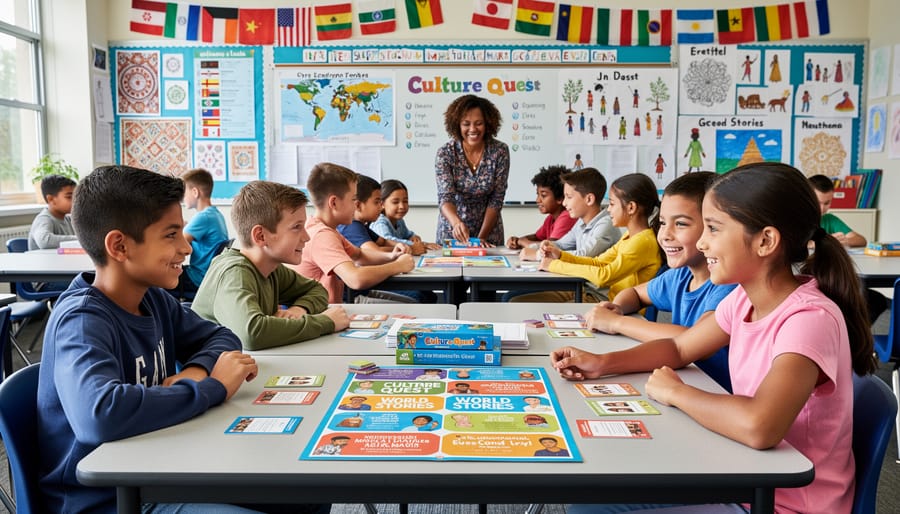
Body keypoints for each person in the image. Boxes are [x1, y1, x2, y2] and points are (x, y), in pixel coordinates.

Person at [554, 162, 876, 514]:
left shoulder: (808, 319)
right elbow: (680, 347)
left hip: (784, 501)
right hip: (744, 473)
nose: (703, 242)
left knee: (592, 508)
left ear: (766, 241)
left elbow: (760, 426)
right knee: (592, 499)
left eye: (713, 228)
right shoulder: (743, 299)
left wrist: (676, 392)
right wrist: (601, 363)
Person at [37, 165, 261, 514]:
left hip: (160, 466)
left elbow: (221, 336)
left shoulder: (153, 298)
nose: (186, 247)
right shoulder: (81, 321)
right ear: (120, 245)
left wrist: (196, 372)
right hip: (107, 498)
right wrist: (213, 387)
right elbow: (100, 415)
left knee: (302, 496)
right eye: (171, 235)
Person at [585, 172, 737, 391]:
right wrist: (616, 308)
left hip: (715, 395)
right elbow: (635, 293)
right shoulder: (681, 275)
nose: (665, 234)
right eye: (663, 222)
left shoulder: (730, 285)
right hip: (684, 383)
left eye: (681, 224)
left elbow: (689, 341)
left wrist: (615, 322)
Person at [191, 180, 349, 351]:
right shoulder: (235, 272)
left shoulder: (271, 268)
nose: (306, 237)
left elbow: (317, 290)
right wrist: (327, 322)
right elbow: (252, 333)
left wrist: (299, 309)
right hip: (208, 365)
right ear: (261, 236)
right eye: (297, 227)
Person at [514, 173, 662, 303]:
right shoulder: (630, 236)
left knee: (529, 307)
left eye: (612, 204)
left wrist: (553, 265)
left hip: (612, 305)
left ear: (631, 208)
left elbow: (604, 276)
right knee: (518, 301)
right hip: (601, 298)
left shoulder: (643, 242)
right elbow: (597, 262)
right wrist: (560, 255)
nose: (608, 209)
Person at [295, 162, 415, 303]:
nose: (356, 206)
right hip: (320, 313)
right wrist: (397, 266)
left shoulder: (327, 229)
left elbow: (360, 255)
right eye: (353, 199)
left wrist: (392, 256)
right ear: (334, 203)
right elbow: (355, 279)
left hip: (331, 309)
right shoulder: (322, 235)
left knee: (411, 304)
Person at [508, 168, 620, 302]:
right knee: (516, 301)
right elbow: (561, 244)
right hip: (579, 287)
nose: (564, 203)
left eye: (569, 197)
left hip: (598, 295)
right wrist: (545, 246)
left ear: (589, 199)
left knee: (525, 305)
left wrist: (538, 255)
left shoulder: (606, 225)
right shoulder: (581, 222)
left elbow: (584, 255)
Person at [337, 175, 434, 304]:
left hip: (368, 286)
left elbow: (383, 241)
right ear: (358, 205)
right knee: (417, 298)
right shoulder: (351, 227)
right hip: (357, 293)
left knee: (427, 295)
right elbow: (373, 251)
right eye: (376, 202)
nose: (381, 207)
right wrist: (408, 249)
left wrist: (402, 246)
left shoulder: (362, 225)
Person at [435, 94, 509, 246]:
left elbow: (497, 199)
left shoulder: (500, 151)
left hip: (489, 231)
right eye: (466, 124)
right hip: (454, 231)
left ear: (488, 124)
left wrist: (480, 238)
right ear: (457, 125)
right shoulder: (445, 153)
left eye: (479, 123)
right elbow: (445, 197)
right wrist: (456, 223)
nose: (473, 129)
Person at [176, 168, 228, 295]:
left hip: (196, 279)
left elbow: (178, 243)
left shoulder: (203, 217)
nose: (182, 198)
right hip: (206, 277)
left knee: (154, 280)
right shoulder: (215, 214)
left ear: (195, 192)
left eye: (184, 192)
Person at [505, 164, 576, 251]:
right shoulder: (550, 218)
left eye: (543, 195)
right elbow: (537, 237)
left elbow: (549, 247)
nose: (537, 200)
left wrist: (521, 242)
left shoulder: (567, 217)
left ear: (560, 198)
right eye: (538, 194)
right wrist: (517, 240)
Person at [370, 179, 441, 255]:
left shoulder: (399, 220)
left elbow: (408, 235)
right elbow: (389, 241)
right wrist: (420, 245)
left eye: (405, 201)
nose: (402, 206)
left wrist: (415, 238)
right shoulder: (379, 222)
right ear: (382, 204)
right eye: (395, 202)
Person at [807, 174, 866, 247]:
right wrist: (820, 242)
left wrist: (846, 241)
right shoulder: (797, 219)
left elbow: (862, 240)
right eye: (818, 202)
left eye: (826, 203)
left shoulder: (830, 219)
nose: (822, 208)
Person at [28, 174, 78, 250]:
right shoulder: (44, 219)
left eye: (75, 196)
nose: (75, 201)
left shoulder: (68, 219)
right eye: (69, 197)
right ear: (50, 199)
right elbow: (44, 241)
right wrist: (80, 239)